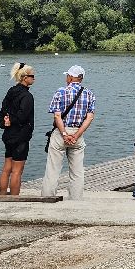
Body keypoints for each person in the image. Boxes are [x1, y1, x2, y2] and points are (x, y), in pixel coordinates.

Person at [41, 65, 93, 199]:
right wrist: (76, 135)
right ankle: (76, 200)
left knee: (53, 169)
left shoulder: (61, 91)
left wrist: (64, 134)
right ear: (81, 78)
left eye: (67, 75)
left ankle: (48, 197)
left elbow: (57, 116)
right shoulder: (88, 93)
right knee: (77, 172)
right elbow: (90, 117)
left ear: (70, 77)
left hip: (60, 133)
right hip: (78, 134)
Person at [0, 62, 37, 195]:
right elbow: (22, 116)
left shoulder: (11, 92)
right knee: (17, 170)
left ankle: (2, 195)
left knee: (6, 168)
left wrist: (5, 122)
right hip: (21, 136)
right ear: (25, 78)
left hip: (8, 135)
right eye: (32, 76)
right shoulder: (27, 96)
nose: (34, 78)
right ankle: (15, 198)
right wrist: (12, 121)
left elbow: (1, 112)